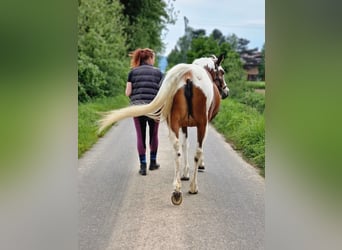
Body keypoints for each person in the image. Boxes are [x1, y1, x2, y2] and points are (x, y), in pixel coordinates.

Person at [125, 48, 163, 176]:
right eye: (154, 58)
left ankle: (143, 166)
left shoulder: (132, 72)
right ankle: (153, 163)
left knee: (140, 136)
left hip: (138, 108)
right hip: (154, 108)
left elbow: (128, 93)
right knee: (154, 135)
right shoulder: (158, 73)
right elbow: (163, 92)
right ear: (150, 58)